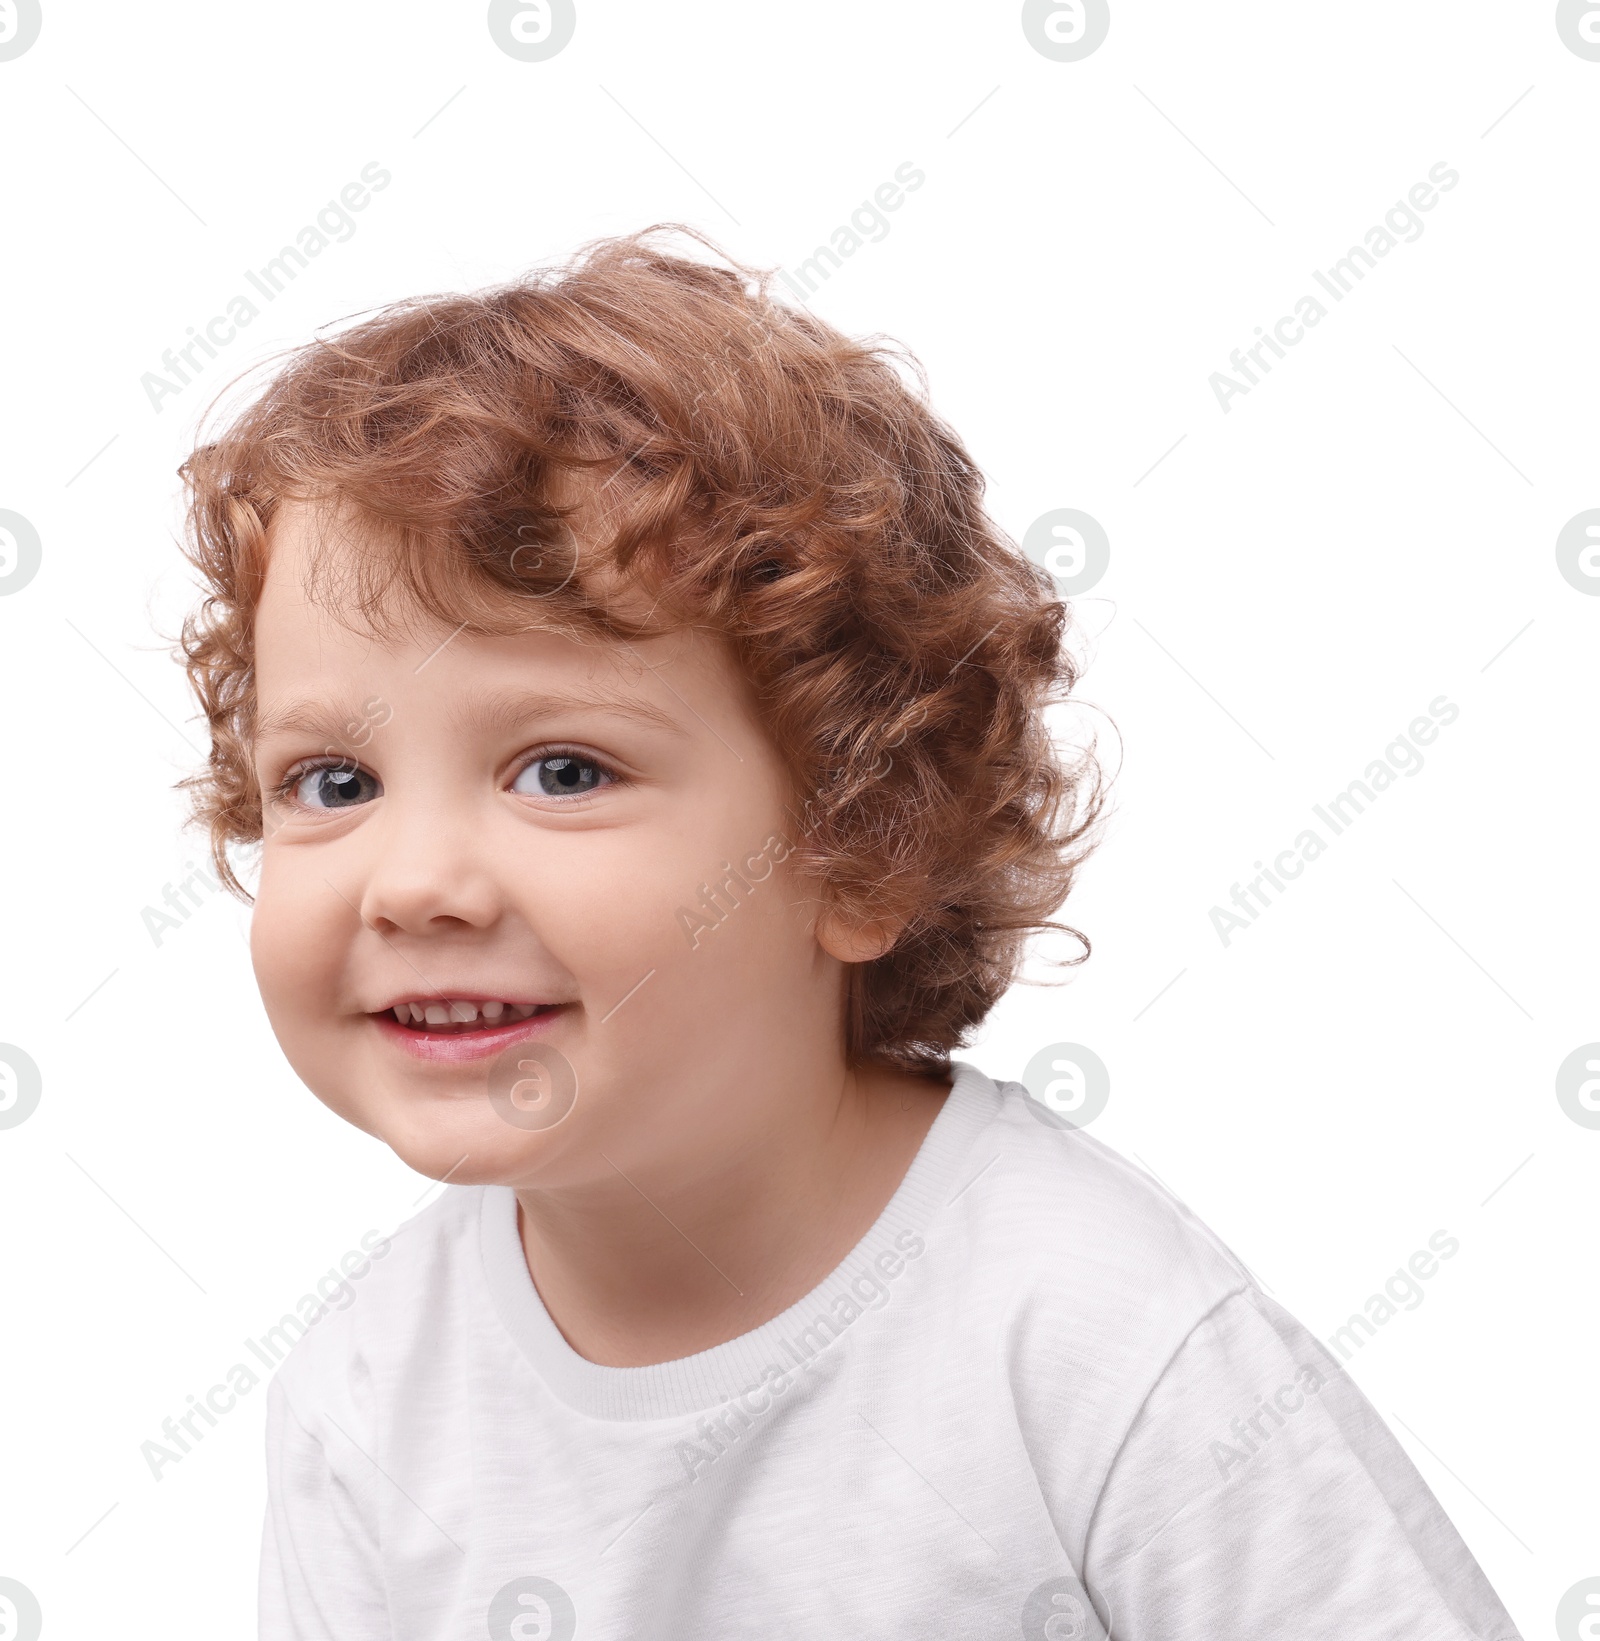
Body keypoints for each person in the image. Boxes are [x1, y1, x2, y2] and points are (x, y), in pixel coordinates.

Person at [175, 227, 1522, 1639]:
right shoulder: (368, 1392)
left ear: (860, 838)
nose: (413, 882)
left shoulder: (1101, 1344)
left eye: (564, 770)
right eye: (334, 783)